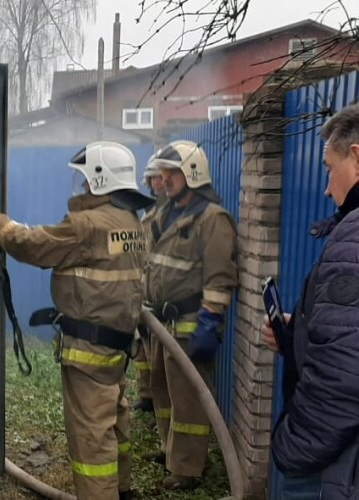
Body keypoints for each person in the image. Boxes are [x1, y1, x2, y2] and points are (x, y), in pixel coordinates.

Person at [0, 141, 154, 500]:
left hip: (88, 350)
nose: (82, 186)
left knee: (91, 440)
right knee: (115, 421)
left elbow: (32, 244)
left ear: (101, 180)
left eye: (87, 179)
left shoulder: (87, 224)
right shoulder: (131, 222)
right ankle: (123, 490)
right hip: (117, 346)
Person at [264, 103, 359, 499]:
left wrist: (292, 447)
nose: (326, 187)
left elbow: (345, 374)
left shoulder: (354, 239)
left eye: (328, 167)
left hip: (334, 470)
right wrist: (298, 333)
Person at [141, 140, 238, 491]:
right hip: (161, 323)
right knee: (162, 390)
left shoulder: (213, 219)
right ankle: (171, 450)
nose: (163, 179)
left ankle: (187, 469)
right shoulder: (169, 212)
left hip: (189, 324)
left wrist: (211, 321)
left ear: (193, 174)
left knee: (187, 399)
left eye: (172, 173)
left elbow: (219, 277)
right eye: (162, 173)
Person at [132, 156, 168, 413]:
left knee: (155, 351)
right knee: (142, 347)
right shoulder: (149, 209)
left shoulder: (171, 211)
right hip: (142, 286)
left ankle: (154, 398)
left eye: (160, 176)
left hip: (158, 292)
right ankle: (146, 394)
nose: (156, 182)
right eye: (152, 177)